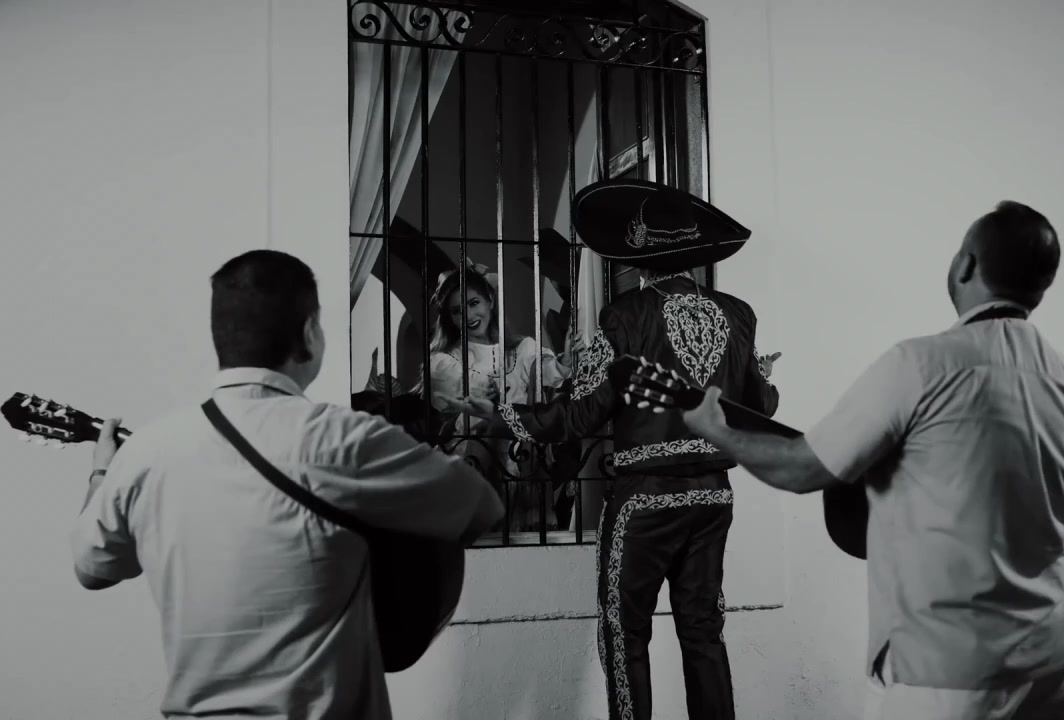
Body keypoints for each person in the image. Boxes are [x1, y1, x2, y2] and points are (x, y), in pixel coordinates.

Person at [682, 201, 1064, 720]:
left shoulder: (920, 364)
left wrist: (718, 432)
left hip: (947, 668)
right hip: (1050, 659)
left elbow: (800, 468)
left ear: (966, 264)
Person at [70, 249, 503, 719]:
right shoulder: (346, 439)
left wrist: (102, 474)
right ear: (310, 332)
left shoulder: (147, 451)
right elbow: (480, 505)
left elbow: (93, 567)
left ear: (221, 337)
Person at [445, 179, 780, 720]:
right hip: (713, 496)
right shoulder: (739, 314)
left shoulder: (624, 317)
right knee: (703, 629)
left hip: (645, 499)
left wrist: (503, 416)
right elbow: (760, 407)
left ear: (639, 260)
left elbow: (579, 415)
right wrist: (762, 374)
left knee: (625, 633)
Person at [418, 260, 581, 532]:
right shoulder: (444, 361)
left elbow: (547, 372)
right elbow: (450, 401)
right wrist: (480, 397)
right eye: (457, 311)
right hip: (475, 458)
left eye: (474, 303)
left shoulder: (522, 349)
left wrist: (563, 361)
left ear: (490, 301)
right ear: (449, 318)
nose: (469, 315)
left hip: (521, 459)